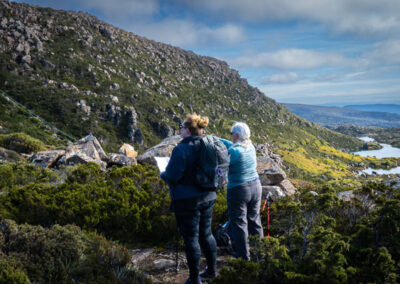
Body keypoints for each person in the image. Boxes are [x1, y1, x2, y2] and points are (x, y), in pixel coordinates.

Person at [160, 114, 217, 284]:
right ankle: (212, 271)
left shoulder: (181, 149)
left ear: (187, 130)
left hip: (187, 200)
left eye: (181, 128)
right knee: (206, 234)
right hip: (208, 195)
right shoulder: (209, 145)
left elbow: (172, 176)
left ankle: (194, 279)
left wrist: (163, 174)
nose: (180, 130)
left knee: (191, 238)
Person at [219, 122, 263, 260]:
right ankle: (260, 254)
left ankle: (244, 258)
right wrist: (217, 139)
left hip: (239, 189)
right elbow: (232, 145)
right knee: (255, 220)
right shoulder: (251, 147)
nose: (231, 137)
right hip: (256, 186)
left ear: (236, 135)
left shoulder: (234, 152)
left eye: (232, 134)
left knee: (239, 223)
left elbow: (223, 163)